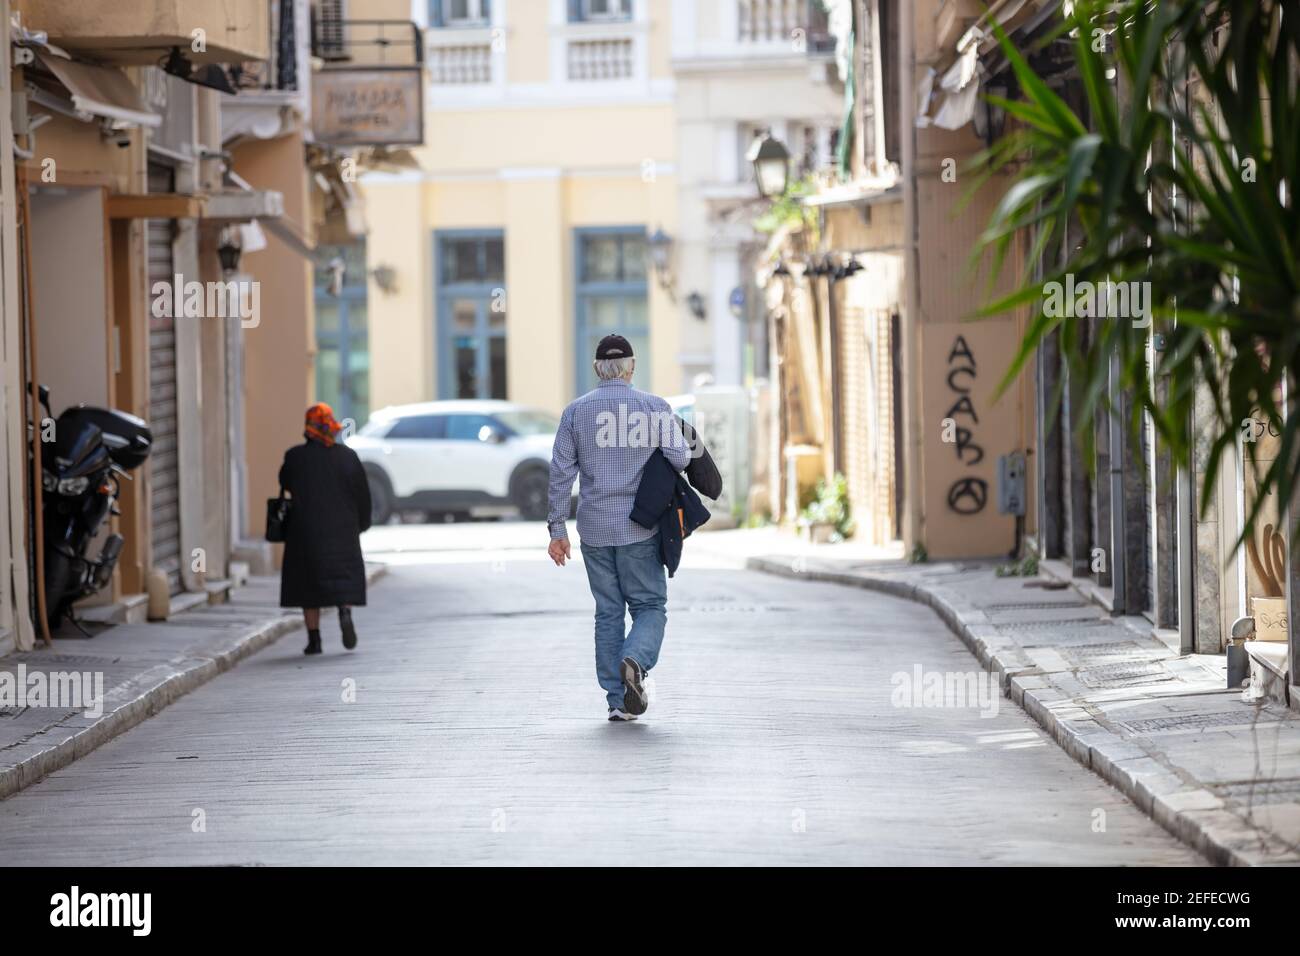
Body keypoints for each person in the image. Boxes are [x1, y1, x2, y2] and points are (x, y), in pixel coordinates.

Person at [547, 334, 690, 721]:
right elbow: (680, 458)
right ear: (630, 368)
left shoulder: (575, 412)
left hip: (594, 530)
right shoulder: (654, 407)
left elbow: (561, 474)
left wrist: (556, 529)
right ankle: (635, 659)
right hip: (639, 528)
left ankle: (617, 700)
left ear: (597, 369)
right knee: (649, 605)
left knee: (608, 612)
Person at [278, 402, 371, 655]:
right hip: (343, 530)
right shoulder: (348, 457)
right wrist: (362, 524)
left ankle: (314, 639)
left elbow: (284, 481)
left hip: (305, 533)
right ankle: (344, 611)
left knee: (308, 586)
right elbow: (363, 495)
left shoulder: (295, 457)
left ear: (308, 429)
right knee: (343, 578)